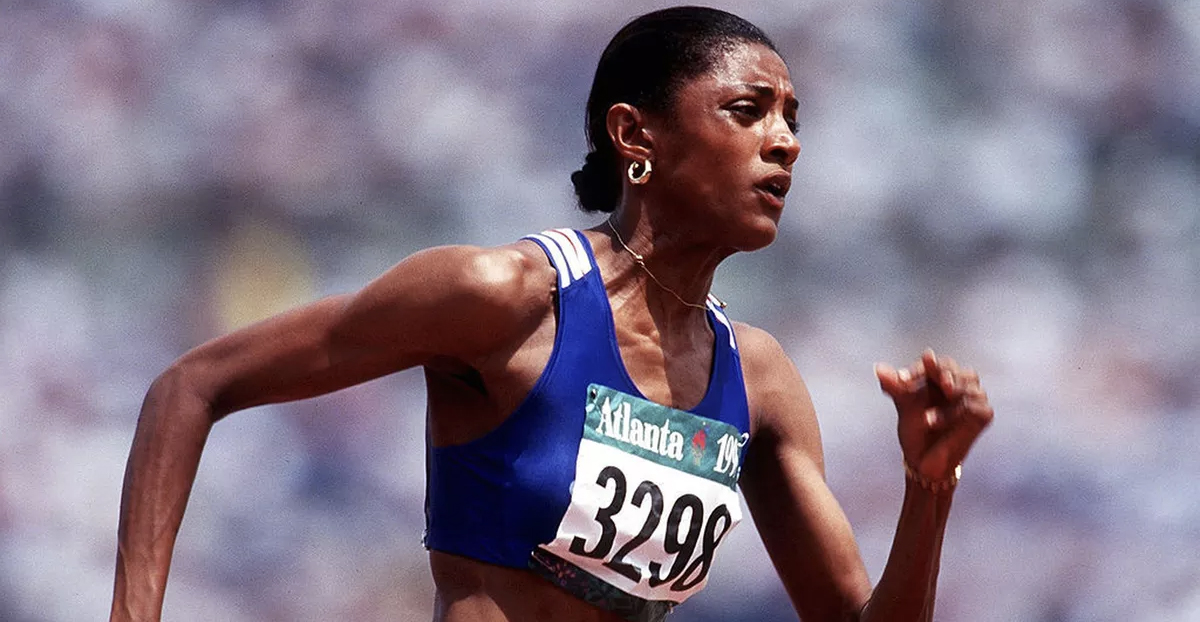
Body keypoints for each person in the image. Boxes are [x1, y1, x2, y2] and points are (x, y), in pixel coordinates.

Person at [109, 6, 993, 622]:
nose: (786, 141)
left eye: (793, 118)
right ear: (635, 136)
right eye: (747, 111)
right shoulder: (505, 297)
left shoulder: (758, 380)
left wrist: (930, 486)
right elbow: (193, 385)